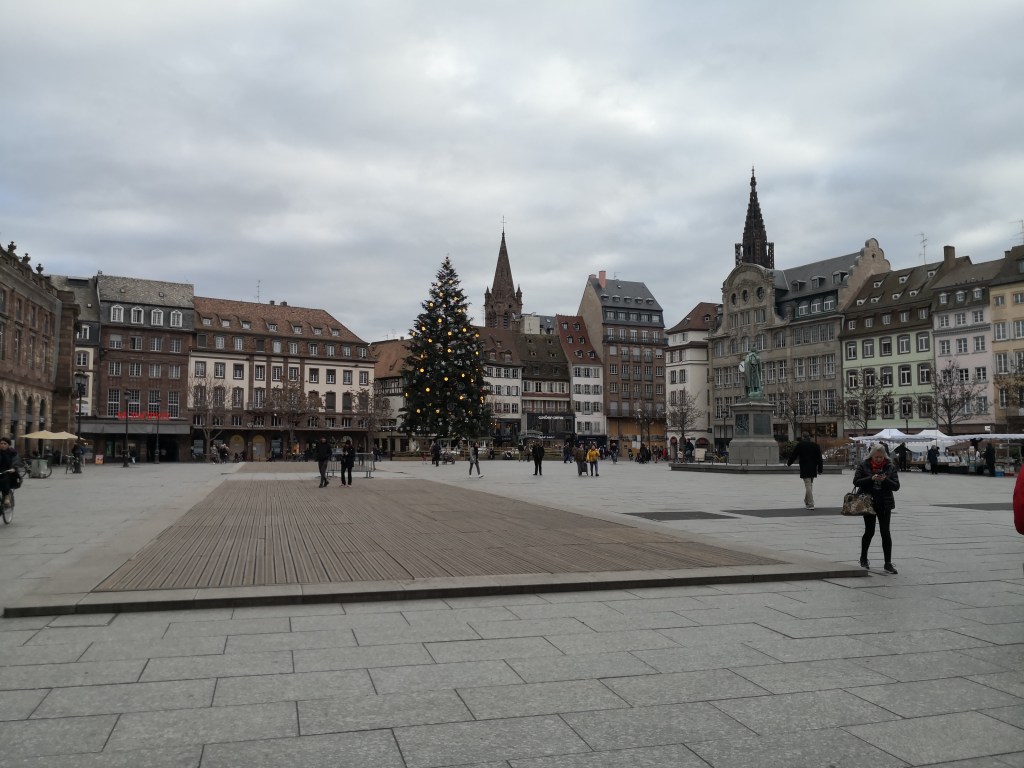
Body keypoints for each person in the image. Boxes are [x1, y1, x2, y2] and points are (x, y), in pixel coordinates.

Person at [853, 442, 901, 574]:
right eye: (876, 457)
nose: (879, 459)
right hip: (868, 503)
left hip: (885, 504)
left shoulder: (890, 466)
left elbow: (896, 486)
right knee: (869, 531)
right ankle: (863, 558)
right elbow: (856, 481)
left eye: (881, 457)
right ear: (871, 456)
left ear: (884, 456)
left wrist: (885, 480)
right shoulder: (864, 465)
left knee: (885, 532)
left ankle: (888, 563)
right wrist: (871, 478)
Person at [787, 433, 824, 509]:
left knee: (808, 485)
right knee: (810, 485)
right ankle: (806, 500)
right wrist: (820, 469)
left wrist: (789, 463)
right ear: (809, 437)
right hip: (813, 468)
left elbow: (794, 455)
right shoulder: (815, 445)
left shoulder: (800, 445)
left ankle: (810, 503)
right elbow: (819, 459)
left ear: (803, 437)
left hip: (804, 467)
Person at [0, 437, 19, 511]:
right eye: (1, 443)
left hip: (9, 471)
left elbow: (16, 461)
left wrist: (14, 468)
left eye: (5, 444)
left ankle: (6, 496)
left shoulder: (13, 452)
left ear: (8, 445)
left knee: (4, 479)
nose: (3, 445)